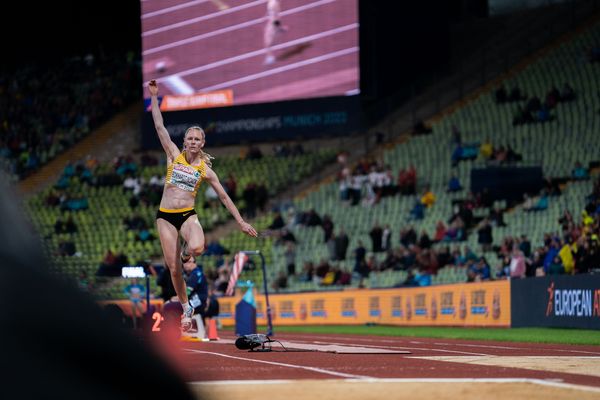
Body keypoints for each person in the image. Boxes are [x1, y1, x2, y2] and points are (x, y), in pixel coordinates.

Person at [148, 79, 257, 332]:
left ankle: (186, 253)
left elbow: (225, 197)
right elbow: (158, 124)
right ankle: (186, 308)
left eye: (198, 139)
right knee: (174, 270)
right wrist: (154, 96)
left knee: (197, 246)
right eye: (190, 138)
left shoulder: (205, 170)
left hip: (187, 214)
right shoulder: (173, 155)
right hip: (165, 216)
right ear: (184, 141)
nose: (194, 141)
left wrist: (240, 221)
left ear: (202, 144)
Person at [263, 0, 288, 65]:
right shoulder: (271, 2)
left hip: (273, 24)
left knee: (267, 42)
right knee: (272, 38)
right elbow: (272, 12)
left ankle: (270, 58)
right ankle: (281, 45)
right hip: (272, 22)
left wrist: (277, 27)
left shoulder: (274, 4)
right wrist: (265, 15)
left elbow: (276, 17)